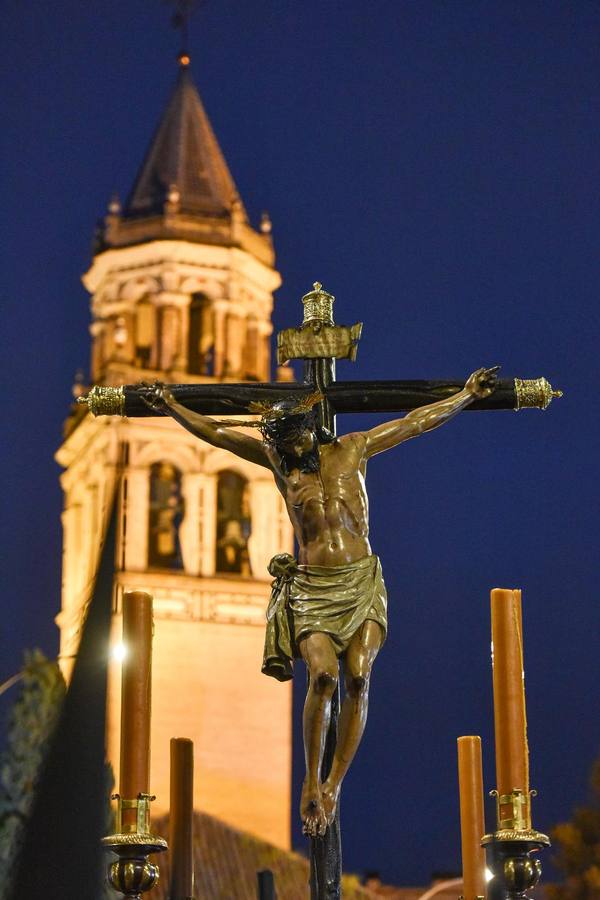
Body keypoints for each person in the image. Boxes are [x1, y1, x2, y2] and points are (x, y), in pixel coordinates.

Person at [140, 366, 498, 837]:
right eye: (284, 447)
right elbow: (218, 435)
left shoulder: (353, 450)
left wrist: (466, 396)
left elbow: (414, 422)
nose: (292, 454)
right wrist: (171, 405)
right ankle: (311, 777)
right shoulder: (279, 463)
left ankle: (333, 784)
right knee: (324, 674)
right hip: (312, 587)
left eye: (296, 443)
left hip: (359, 580)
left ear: (312, 431)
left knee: (358, 675)